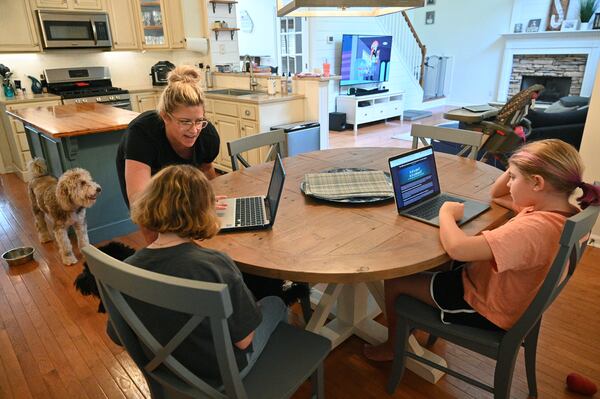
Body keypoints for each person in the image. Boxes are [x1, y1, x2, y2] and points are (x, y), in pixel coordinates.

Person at [364, 139, 600, 361]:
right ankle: (411, 322)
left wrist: (445, 213)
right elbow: (497, 195)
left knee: (395, 280)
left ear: (537, 183)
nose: (508, 183)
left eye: (513, 178)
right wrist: (518, 165)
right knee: (434, 261)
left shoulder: (534, 229)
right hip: (504, 290)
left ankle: (393, 347)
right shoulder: (554, 212)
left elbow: (458, 249)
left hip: (486, 307)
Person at [124, 164, 287, 386]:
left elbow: (118, 335)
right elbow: (244, 341)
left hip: (164, 371)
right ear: (204, 210)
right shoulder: (215, 266)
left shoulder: (128, 268)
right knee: (276, 303)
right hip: (219, 375)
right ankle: (275, 375)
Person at [116, 65, 220, 243]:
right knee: (156, 234)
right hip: (145, 189)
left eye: (199, 121)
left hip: (177, 184)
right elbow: (138, 202)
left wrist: (207, 199)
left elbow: (206, 168)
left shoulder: (207, 135)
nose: (194, 130)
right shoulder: (141, 134)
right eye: (185, 122)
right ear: (165, 116)